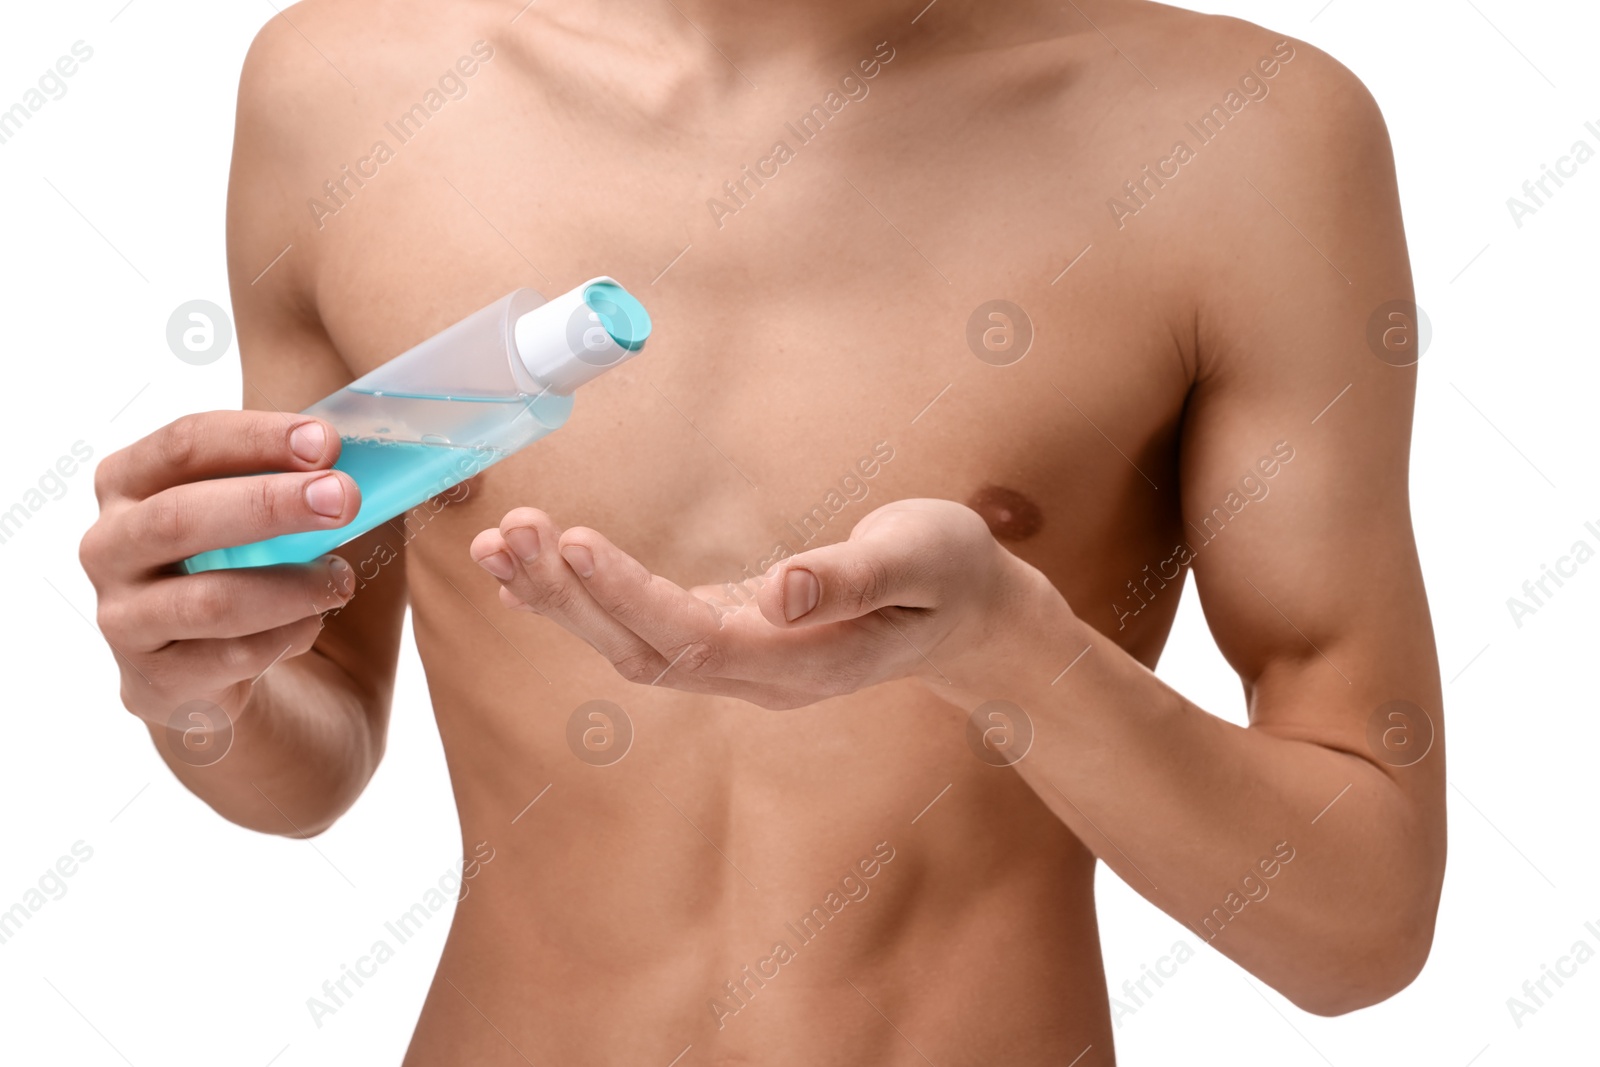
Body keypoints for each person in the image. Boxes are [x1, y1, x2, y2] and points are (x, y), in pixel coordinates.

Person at [79, 0, 1445, 1061]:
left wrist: (1010, 653)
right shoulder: (343, 93)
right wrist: (200, 682)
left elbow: (1361, 926)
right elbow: (310, 759)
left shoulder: (1246, 140)